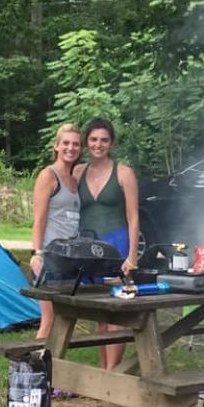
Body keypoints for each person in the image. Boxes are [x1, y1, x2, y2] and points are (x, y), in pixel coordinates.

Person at [74, 118, 140, 370]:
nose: (98, 144)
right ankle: (105, 371)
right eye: (93, 140)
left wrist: (132, 255)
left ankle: (113, 372)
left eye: (103, 140)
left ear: (111, 142)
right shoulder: (78, 172)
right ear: (87, 142)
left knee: (117, 313)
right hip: (89, 247)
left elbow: (133, 216)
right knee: (99, 314)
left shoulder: (124, 173)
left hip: (117, 244)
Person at [29, 124, 83, 342]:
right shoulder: (48, 176)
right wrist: (37, 253)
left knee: (65, 318)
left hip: (69, 258)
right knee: (49, 319)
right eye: (66, 143)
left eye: (76, 144)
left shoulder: (73, 179)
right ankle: (32, 373)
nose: (71, 148)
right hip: (50, 256)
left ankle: (53, 366)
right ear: (57, 146)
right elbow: (39, 219)